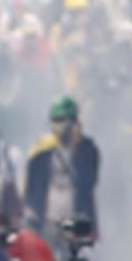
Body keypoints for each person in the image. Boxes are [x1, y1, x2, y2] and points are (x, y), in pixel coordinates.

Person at [24, 96, 100, 232]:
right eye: (57, 120)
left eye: (66, 120)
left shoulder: (87, 149)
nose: (62, 126)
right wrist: (32, 215)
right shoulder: (42, 150)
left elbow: (88, 182)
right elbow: (31, 186)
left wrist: (77, 149)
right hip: (47, 219)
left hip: (76, 219)